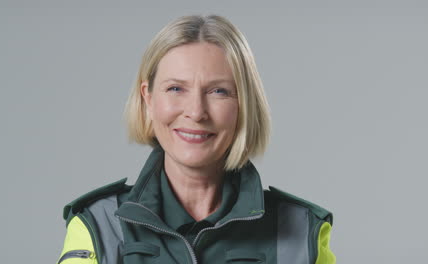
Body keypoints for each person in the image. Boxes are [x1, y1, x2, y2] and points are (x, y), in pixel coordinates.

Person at [56, 14, 336, 264]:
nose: (196, 112)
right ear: (148, 99)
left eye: (219, 92)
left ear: (245, 106)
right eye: (176, 88)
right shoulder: (98, 224)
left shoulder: (302, 230)